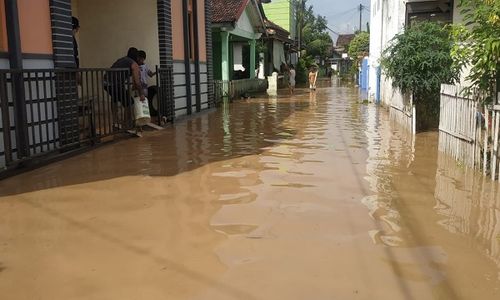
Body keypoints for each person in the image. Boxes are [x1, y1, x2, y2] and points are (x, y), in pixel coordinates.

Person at [104, 47, 145, 136]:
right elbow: (137, 82)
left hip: (106, 83)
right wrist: (141, 94)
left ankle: (115, 123)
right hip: (115, 84)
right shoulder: (133, 64)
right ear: (137, 57)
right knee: (129, 102)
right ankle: (127, 126)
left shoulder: (123, 60)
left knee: (115, 98)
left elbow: (134, 81)